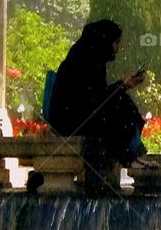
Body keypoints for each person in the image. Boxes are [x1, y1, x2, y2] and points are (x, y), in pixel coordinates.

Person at [48, 18, 154, 168]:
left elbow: (97, 98)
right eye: (116, 43)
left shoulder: (89, 56)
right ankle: (130, 158)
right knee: (118, 106)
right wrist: (122, 85)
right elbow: (96, 100)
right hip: (69, 121)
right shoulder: (85, 61)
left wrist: (123, 86)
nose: (119, 47)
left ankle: (131, 156)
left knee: (120, 102)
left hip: (79, 114)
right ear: (105, 42)